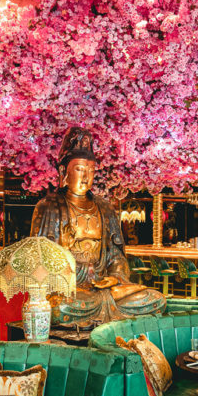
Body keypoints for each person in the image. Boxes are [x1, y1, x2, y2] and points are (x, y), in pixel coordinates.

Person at [30, 128, 165, 325]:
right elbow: (38, 260)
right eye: (80, 169)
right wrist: (68, 261)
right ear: (64, 171)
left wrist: (115, 277)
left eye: (91, 171)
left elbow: (116, 256)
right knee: (58, 307)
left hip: (103, 286)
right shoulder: (49, 207)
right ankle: (106, 306)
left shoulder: (105, 208)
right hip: (70, 291)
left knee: (155, 299)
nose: (86, 177)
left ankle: (103, 305)